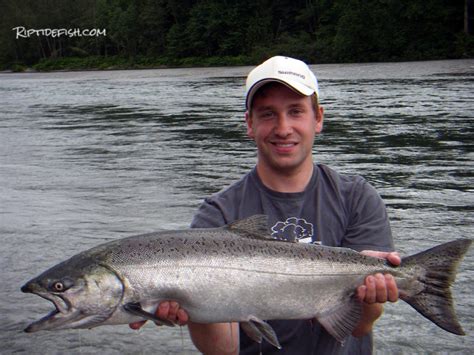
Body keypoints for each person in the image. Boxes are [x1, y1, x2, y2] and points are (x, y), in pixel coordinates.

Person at [130, 56, 400, 354]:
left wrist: (376, 294)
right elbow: (224, 350)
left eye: (295, 111)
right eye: (268, 114)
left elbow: (360, 326)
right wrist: (193, 309)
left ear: (318, 118)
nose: (283, 128)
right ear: (250, 123)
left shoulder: (357, 198)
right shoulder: (219, 212)